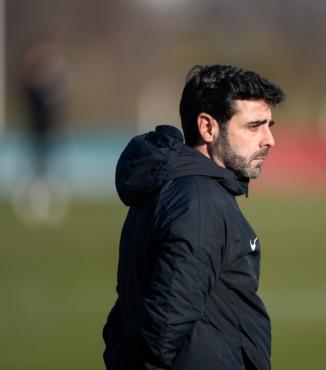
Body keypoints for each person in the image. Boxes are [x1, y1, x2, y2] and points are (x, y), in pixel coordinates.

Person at [103, 65, 284, 370]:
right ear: (208, 128)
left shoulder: (178, 189)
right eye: (254, 126)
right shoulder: (200, 204)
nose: (269, 139)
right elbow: (162, 332)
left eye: (269, 125)